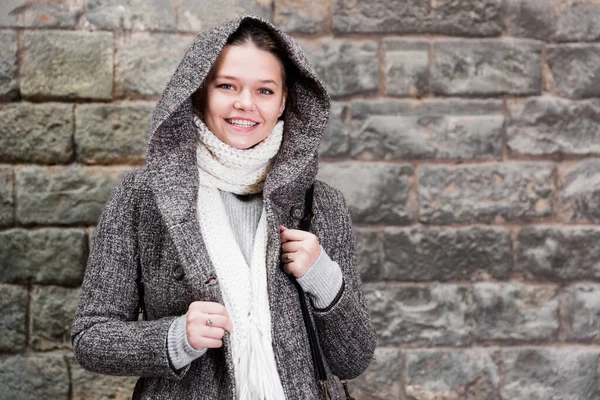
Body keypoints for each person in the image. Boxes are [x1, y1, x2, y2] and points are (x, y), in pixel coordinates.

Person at [71, 15, 376, 400]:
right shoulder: (142, 197)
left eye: (264, 91)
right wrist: (173, 338)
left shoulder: (322, 204)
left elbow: (355, 359)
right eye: (227, 85)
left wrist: (325, 281)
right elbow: (90, 338)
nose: (244, 104)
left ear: (285, 101)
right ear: (199, 91)